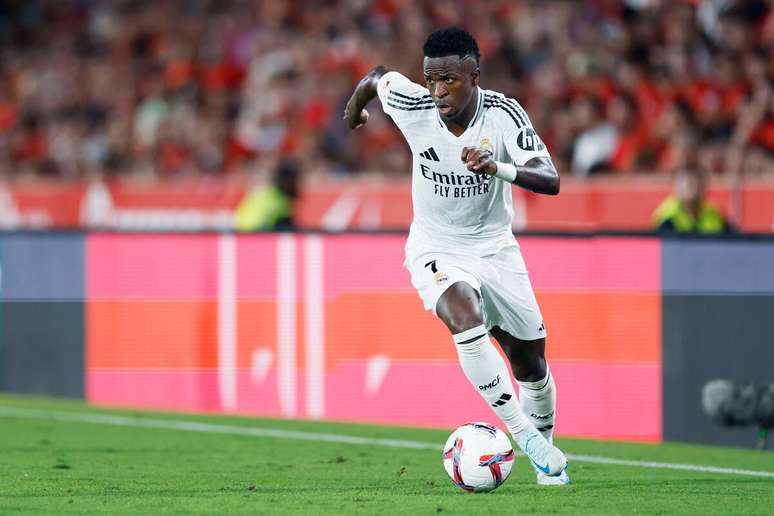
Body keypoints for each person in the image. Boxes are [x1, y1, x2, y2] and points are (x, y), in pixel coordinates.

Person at [344, 27, 569, 485]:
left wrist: (497, 167)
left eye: (449, 80)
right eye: (431, 79)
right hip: (435, 245)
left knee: (531, 365)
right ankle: (525, 436)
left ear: (474, 76)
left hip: (494, 246)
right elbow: (375, 78)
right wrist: (353, 113)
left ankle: (546, 462)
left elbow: (549, 178)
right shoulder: (413, 103)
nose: (437, 91)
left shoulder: (503, 114)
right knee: (464, 315)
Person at [653, 168, 730, 234]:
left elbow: (735, 240)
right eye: (689, 185)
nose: (694, 189)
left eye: (699, 184)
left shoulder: (713, 212)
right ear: (677, 188)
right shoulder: (668, 216)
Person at [235, 159, 299, 231]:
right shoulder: (282, 201)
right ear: (287, 181)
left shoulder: (260, 193)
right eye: (294, 181)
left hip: (239, 234)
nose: (297, 185)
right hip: (260, 237)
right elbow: (287, 230)